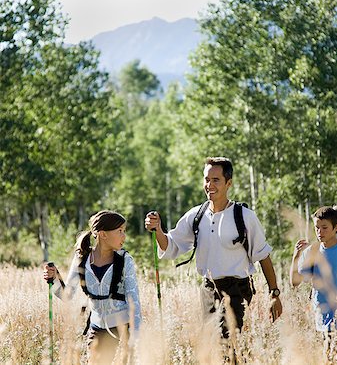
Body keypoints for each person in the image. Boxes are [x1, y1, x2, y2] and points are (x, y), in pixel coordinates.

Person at [145, 156, 282, 340]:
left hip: (237, 288)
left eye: (216, 180)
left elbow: (263, 256)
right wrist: (158, 229)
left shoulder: (245, 217)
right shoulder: (196, 215)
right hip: (208, 289)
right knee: (212, 344)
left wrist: (274, 293)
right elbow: (171, 246)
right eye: (206, 179)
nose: (209, 185)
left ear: (229, 183)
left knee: (226, 343)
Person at [44, 210, 142, 365]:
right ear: (103, 234)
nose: (124, 236)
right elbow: (66, 295)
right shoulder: (82, 258)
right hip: (96, 329)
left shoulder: (125, 260)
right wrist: (54, 279)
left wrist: (135, 337)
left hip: (121, 328)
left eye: (124, 231)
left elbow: (133, 300)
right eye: (120, 231)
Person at [290, 206, 337, 359]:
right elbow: (294, 282)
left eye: (325, 228)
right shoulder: (312, 252)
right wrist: (296, 256)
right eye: (317, 228)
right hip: (323, 313)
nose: (319, 232)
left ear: (335, 228)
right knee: (328, 354)